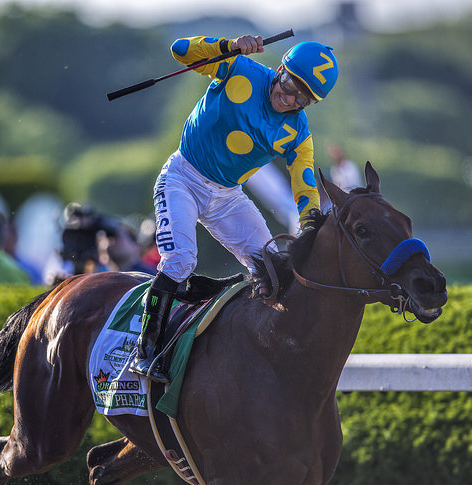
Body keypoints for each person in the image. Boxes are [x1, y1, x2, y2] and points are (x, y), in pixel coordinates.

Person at [130, 34, 339, 382]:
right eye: (288, 84)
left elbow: (304, 184)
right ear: (279, 69)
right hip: (182, 177)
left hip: (227, 197)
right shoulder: (238, 68)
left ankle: (263, 350)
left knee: (272, 269)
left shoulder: (297, 131)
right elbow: (180, 50)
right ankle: (147, 349)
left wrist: (312, 227)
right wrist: (227, 46)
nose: (287, 99)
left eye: (301, 98)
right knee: (181, 260)